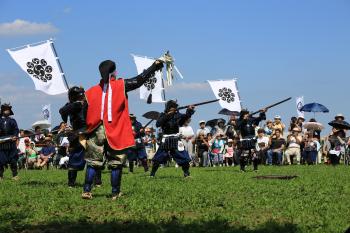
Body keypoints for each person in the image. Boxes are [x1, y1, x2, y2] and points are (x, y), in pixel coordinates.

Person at [82, 59, 163, 200]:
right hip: (114, 129)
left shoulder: (89, 92)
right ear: (113, 72)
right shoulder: (121, 85)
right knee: (116, 162)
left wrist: (84, 132)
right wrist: (154, 67)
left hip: (96, 131)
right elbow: (139, 80)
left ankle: (87, 191)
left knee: (93, 162)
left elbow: (84, 113)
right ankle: (115, 192)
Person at [150, 100, 195, 178]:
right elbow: (158, 124)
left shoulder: (177, 114)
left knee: (184, 157)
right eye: (172, 107)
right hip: (166, 139)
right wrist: (168, 115)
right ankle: (152, 175)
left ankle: (186, 174)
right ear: (169, 108)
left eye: (174, 107)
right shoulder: (163, 115)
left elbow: (184, 118)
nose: (174, 108)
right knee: (158, 158)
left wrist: (189, 110)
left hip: (176, 139)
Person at [0, 103, 19, 181]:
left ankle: (15, 175)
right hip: (1, 142)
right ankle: (0, 176)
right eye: (5, 109)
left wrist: (15, 136)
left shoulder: (12, 121)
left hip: (11, 142)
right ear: (2, 110)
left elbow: (16, 130)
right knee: (0, 160)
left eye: (8, 109)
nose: (7, 111)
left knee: (13, 159)